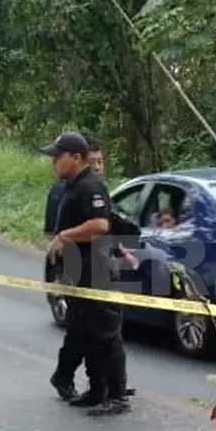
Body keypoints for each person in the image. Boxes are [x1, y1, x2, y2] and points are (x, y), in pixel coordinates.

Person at [42, 131, 130, 416]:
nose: (54, 162)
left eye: (58, 156)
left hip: (97, 272)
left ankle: (117, 395)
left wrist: (65, 236)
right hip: (78, 274)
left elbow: (100, 226)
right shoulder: (71, 186)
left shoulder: (91, 185)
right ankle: (96, 390)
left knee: (106, 335)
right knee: (86, 332)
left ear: (76, 157)